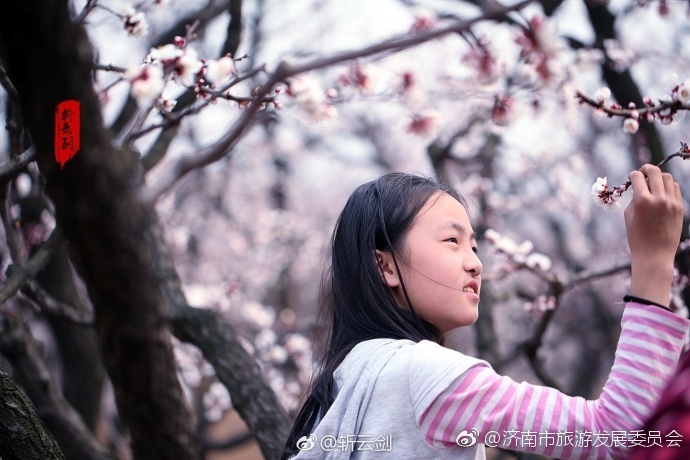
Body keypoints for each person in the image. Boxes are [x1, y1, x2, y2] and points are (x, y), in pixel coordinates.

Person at [282, 165, 689, 459]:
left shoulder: (341, 386)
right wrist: (654, 264)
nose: (476, 262)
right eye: (451, 241)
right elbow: (620, 435)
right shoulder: (426, 375)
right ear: (385, 266)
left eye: (473, 246)